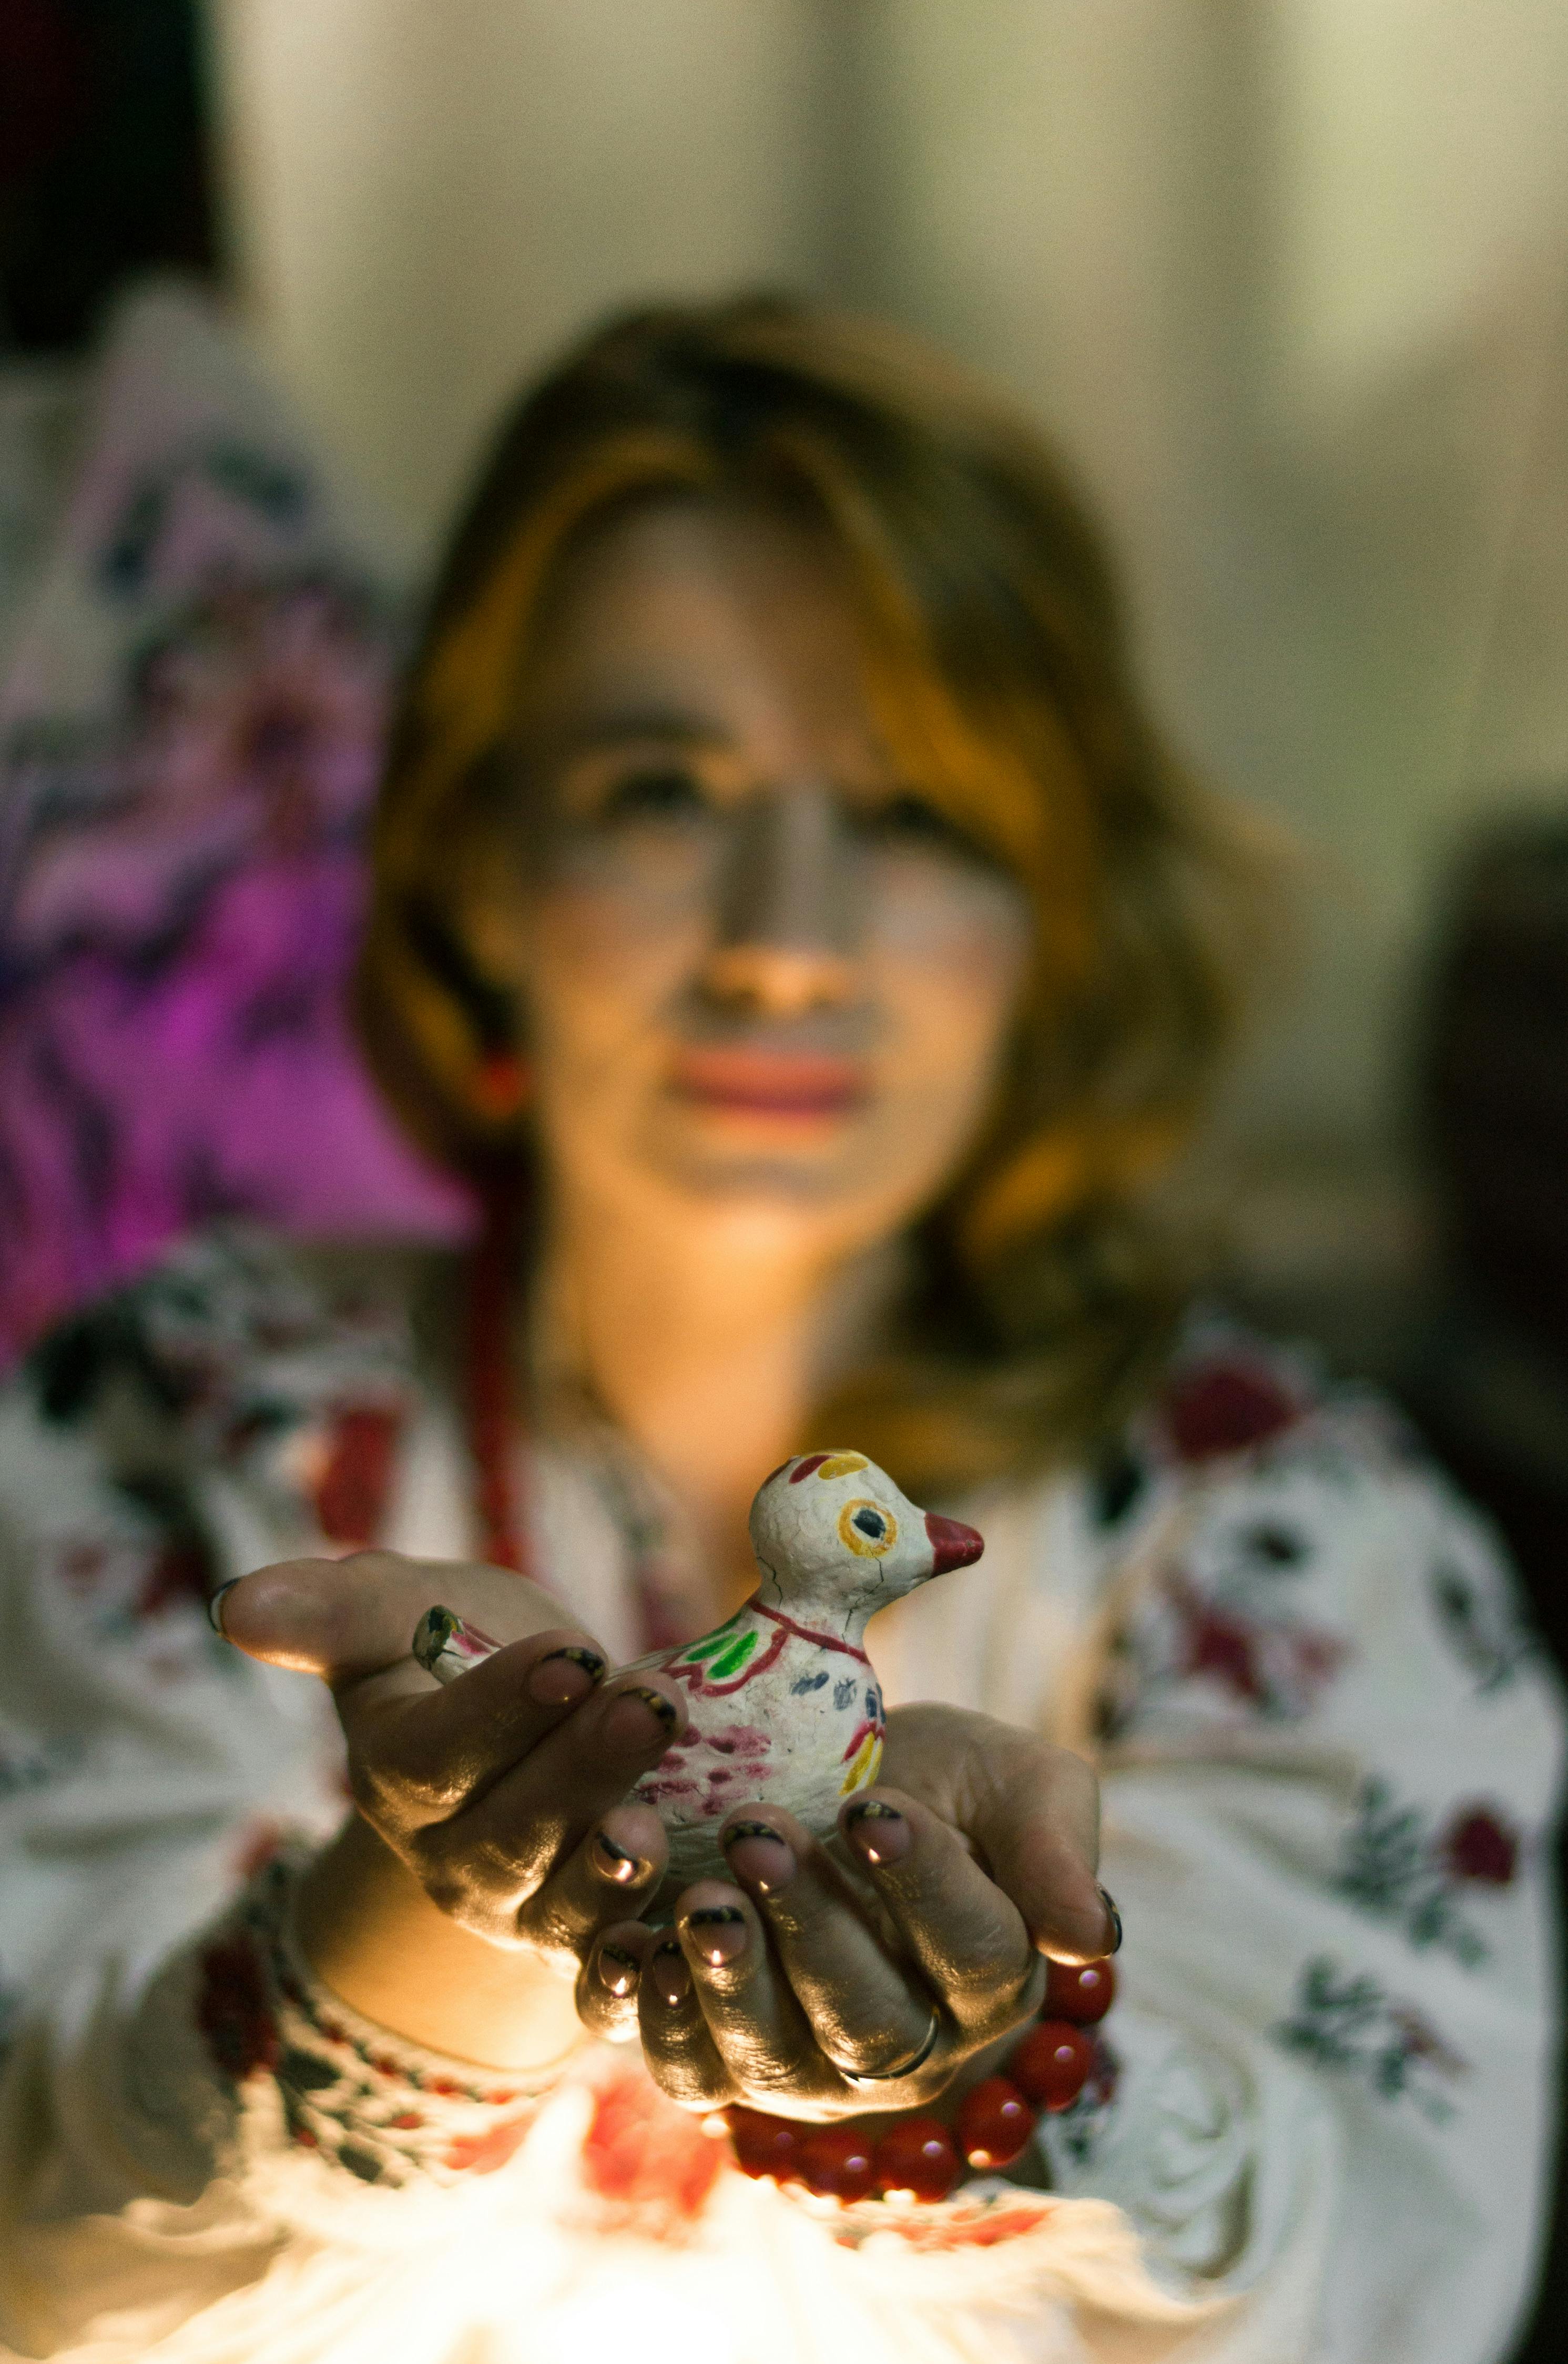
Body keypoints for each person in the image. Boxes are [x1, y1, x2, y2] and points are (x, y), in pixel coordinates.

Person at [0, 298, 1559, 2364]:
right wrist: (432, 1919)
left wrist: (978, 2075)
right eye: (663, 785)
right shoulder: (173, 1440)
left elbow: (1365, 2287)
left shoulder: (1287, 1546)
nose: (783, 940)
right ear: (475, 856)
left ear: (1051, 907)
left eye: (914, 813)